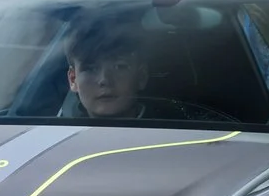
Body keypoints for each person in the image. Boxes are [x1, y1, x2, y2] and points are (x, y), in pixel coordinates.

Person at [59, 11, 225, 121]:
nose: (104, 80)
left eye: (119, 66)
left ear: (141, 76)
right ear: (73, 80)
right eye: (91, 69)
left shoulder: (181, 128)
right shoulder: (51, 135)